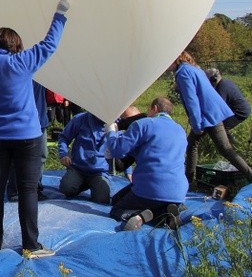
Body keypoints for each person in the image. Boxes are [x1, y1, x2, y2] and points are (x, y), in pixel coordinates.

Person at [0, 0, 69, 258]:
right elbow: (49, 44)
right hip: (27, 136)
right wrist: (60, 14)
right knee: (27, 190)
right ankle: (30, 245)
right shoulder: (23, 61)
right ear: (16, 45)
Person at [171, 51, 252, 184]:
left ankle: (188, 181)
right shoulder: (192, 68)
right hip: (210, 113)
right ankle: (189, 180)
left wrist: (197, 125)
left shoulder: (183, 73)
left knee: (225, 149)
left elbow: (192, 100)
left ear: (176, 59)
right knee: (192, 144)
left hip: (207, 115)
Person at [107, 97, 187, 230]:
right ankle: (167, 212)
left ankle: (142, 216)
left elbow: (117, 151)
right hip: (178, 191)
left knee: (116, 209)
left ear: (154, 108)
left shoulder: (143, 124)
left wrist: (111, 133)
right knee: (118, 198)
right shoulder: (180, 131)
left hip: (151, 187)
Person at [57, 111, 110, 204]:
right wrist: (63, 154)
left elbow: (122, 149)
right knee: (66, 189)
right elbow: (64, 137)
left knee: (102, 199)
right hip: (78, 168)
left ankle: (93, 184)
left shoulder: (115, 125)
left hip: (99, 172)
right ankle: (79, 183)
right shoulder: (80, 119)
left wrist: (128, 171)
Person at [205, 67, 250, 146]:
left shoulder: (221, 88)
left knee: (222, 128)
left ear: (213, 79)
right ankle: (232, 145)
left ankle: (232, 147)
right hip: (241, 109)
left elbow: (218, 107)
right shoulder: (226, 82)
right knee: (222, 126)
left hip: (240, 111)